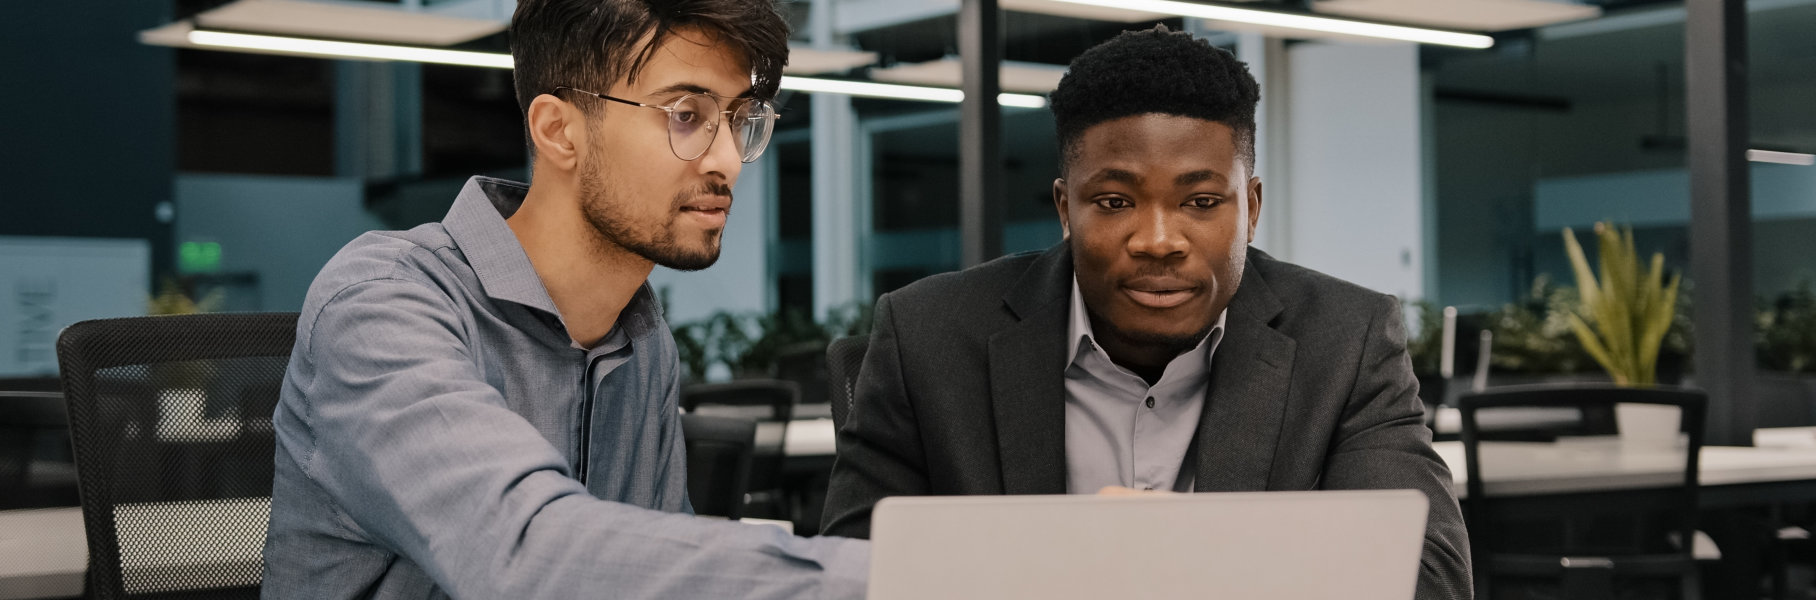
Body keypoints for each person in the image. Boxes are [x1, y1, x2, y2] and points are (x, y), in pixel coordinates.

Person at [820, 25, 1470, 599]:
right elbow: (853, 576)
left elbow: (1429, 576)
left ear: (1251, 208)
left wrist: (1184, 558)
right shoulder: (928, 336)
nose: (1159, 239)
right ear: (1064, 207)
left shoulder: (1345, 339)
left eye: (1201, 202)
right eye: (1113, 201)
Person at [260, 1, 868, 598]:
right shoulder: (382, 304)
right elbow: (518, 553)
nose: (729, 160)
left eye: (738, 119)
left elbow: (651, 560)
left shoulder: (642, 342)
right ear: (558, 132)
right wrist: (890, 577)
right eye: (687, 114)